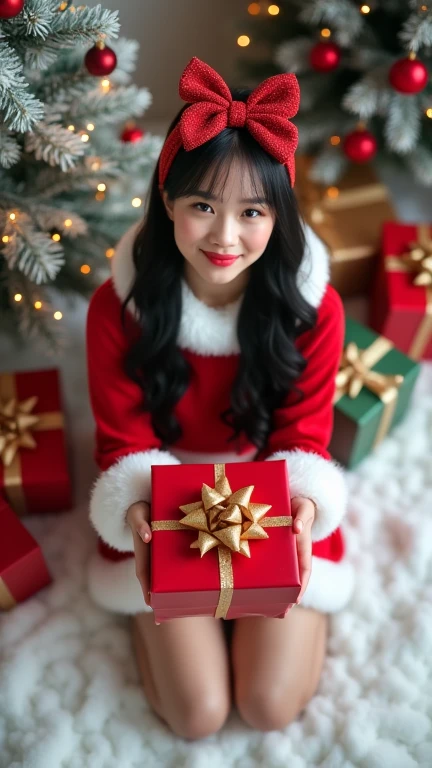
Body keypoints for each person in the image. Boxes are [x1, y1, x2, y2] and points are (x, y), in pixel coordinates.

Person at [85, 56, 355, 739]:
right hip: (163, 487)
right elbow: (124, 440)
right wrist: (145, 515)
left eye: (252, 211)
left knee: (266, 704)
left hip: (270, 489)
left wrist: (300, 508)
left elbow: (304, 436)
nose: (225, 237)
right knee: (197, 715)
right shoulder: (118, 309)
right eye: (203, 205)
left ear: (278, 214)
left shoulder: (313, 309)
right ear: (168, 203)